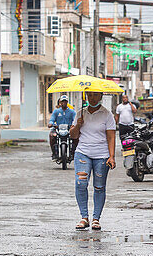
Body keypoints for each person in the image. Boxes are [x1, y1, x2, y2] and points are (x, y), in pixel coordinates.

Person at [69, 91, 116, 231]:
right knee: (80, 183)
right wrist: (78, 125)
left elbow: (111, 137)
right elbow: (73, 135)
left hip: (102, 155)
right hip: (83, 153)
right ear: (86, 96)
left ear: (101, 96)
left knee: (99, 187)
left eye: (95, 95)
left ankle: (96, 219)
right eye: (90, 95)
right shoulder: (80, 113)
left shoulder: (107, 115)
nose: (92, 98)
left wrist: (112, 156)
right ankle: (84, 217)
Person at [48, 96, 76, 161]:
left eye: (65, 101)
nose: (64, 103)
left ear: (67, 102)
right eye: (62, 101)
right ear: (60, 102)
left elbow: (75, 120)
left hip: (69, 129)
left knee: (76, 137)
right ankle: (54, 153)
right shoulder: (56, 111)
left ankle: (73, 153)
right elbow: (52, 120)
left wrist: (74, 125)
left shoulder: (72, 112)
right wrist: (51, 123)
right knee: (52, 135)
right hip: (57, 129)